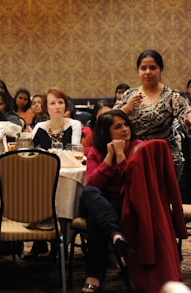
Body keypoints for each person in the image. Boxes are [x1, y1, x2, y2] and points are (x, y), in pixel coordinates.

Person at [80, 109, 141, 292]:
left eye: (126, 124)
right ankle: (116, 234)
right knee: (89, 192)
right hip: (101, 199)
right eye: (118, 127)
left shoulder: (139, 147)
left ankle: (93, 277)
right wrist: (109, 157)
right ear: (106, 132)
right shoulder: (96, 152)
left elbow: (133, 185)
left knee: (95, 221)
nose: (125, 129)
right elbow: (94, 183)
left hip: (125, 201)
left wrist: (121, 156)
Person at [113, 49, 191, 178]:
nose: (148, 72)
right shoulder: (129, 95)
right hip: (134, 157)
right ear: (138, 71)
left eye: (153, 68)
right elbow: (111, 120)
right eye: (143, 68)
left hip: (164, 158)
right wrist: (127, 108)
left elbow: (185, 112)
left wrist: (189, 118)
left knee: (162, 198)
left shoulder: (171, 96)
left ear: (160, 71)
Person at [27, 87, 82, 259]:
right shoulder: (40, 127)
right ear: (46, 107)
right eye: (53, 103)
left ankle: (59, 245)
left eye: (60, 102)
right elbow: (29, 152)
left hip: (67, 174)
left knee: (61, 196)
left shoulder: (74, 125)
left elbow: (73, 152)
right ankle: (41, 241)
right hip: (43, 176)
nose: (57, 106)